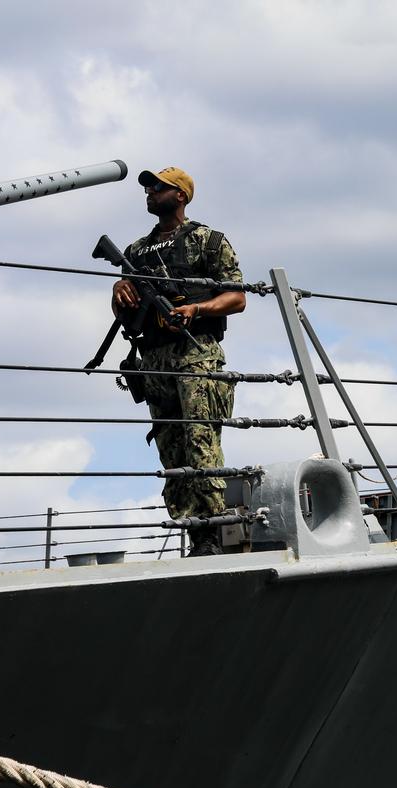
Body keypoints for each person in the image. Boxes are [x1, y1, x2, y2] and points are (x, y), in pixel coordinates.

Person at [110, 166, 245, 557]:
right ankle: (190, 530)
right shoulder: (136, 252)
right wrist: (120, 288)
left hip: (195, 353)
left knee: (200, 440)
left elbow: (237, 298)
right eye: (148, 188)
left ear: (181, 195)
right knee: (170, 449)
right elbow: (125, 313)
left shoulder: (208, 240)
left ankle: (211, 533)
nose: (149, 192)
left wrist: (196, 309)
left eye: (158, 188)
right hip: (154, 359)